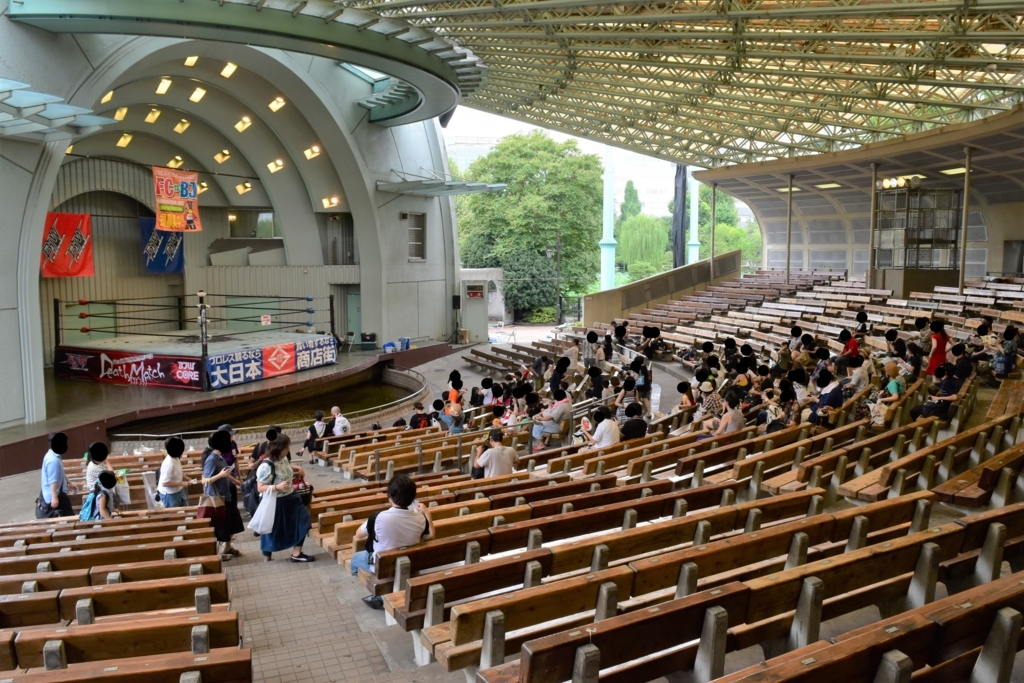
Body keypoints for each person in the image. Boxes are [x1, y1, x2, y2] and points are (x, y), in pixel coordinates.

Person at [351, 474, 429, 608]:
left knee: (354, 560)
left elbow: (358, 535)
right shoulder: (421, 518)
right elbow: (429, 537)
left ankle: (381, 593)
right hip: (410, 562)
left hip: (383, 565)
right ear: (412, 498)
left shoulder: (378, 517)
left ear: (390, 496)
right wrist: (427, 513)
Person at [255, 434, 314, 563]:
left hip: (291, 497)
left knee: (303, 521)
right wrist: (277, 487)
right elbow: (260, 488)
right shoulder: (265, 466)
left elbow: (285, 467)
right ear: (279, 447)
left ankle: (297, 553)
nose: (288, 449)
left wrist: (298, 468)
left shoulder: (283, 458)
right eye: (287, 447)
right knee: (270, 529)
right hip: (275, 501)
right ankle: (267, 558)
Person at [202, 430, 241, 561]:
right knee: (221, 526)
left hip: (226, 495)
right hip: (218, 498)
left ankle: (227, 547)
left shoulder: (220, 457)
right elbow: (205, 480)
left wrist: (235, 481)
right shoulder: (211, 460)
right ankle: (218, 553)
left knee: (231, 523)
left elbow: (225, 471)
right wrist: (221, 476)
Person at [37, 432, 75, 519]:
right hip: (56, 496)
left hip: (55, 494)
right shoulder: (53, 460)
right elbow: (53, 480)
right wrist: (54, 497)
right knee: (69, 517)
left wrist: (69, 483)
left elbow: (60, 473)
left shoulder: (52, 455)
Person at [158, 436, 191, 508]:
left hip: (178, 490)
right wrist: (182, 483)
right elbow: (165, 483)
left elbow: (176, 471)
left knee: (185, 510)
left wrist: (184, 477)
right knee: (175, 515)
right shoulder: (169, 464)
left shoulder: (176, 457)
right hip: (170, 494)